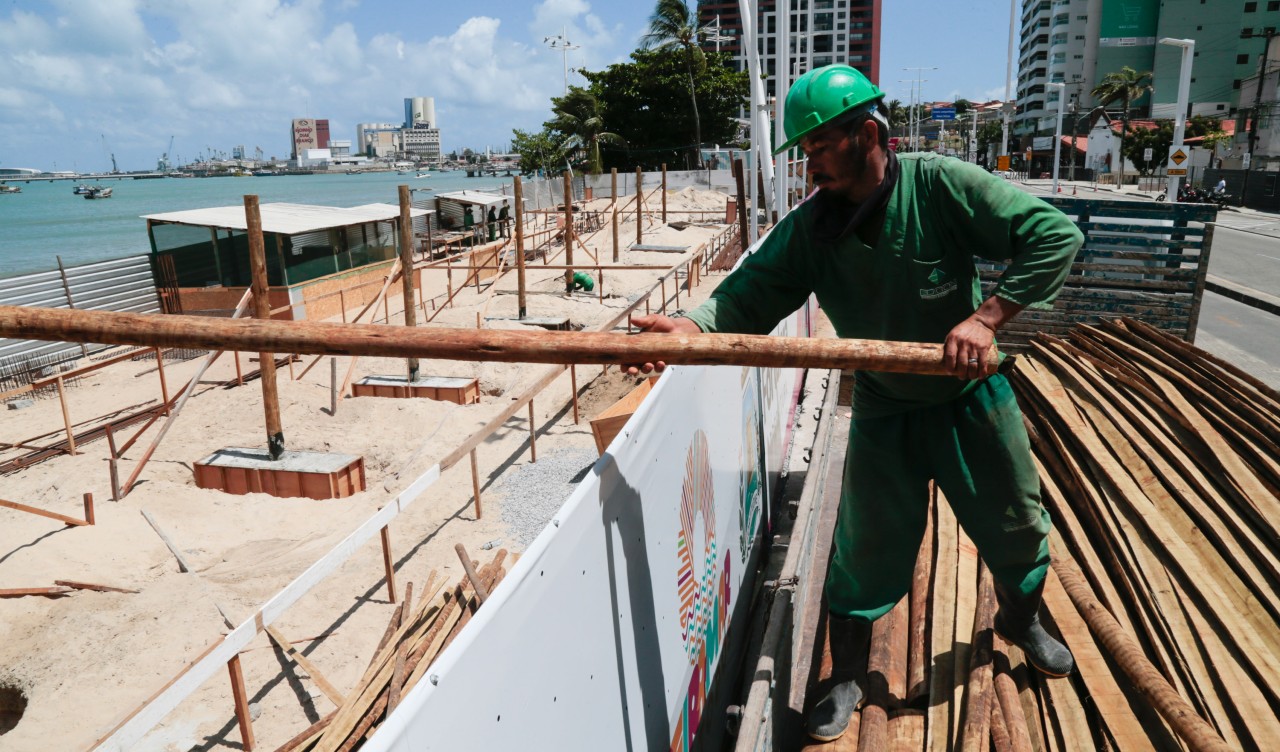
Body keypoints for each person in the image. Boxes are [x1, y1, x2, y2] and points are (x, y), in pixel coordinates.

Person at [627, 65, 1082, 743]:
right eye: (804, 154)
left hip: (968, 396)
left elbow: (1054, 235)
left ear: (867, 134)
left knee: (1015, 520)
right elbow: (746, 293)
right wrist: (691, 330)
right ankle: (845, 677)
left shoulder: (940, 186)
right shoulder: (814, 230)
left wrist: (987, 318)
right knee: (864, 548)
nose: (810, 169)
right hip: (885, 404)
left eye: (818, 149)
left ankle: (1021, 617)